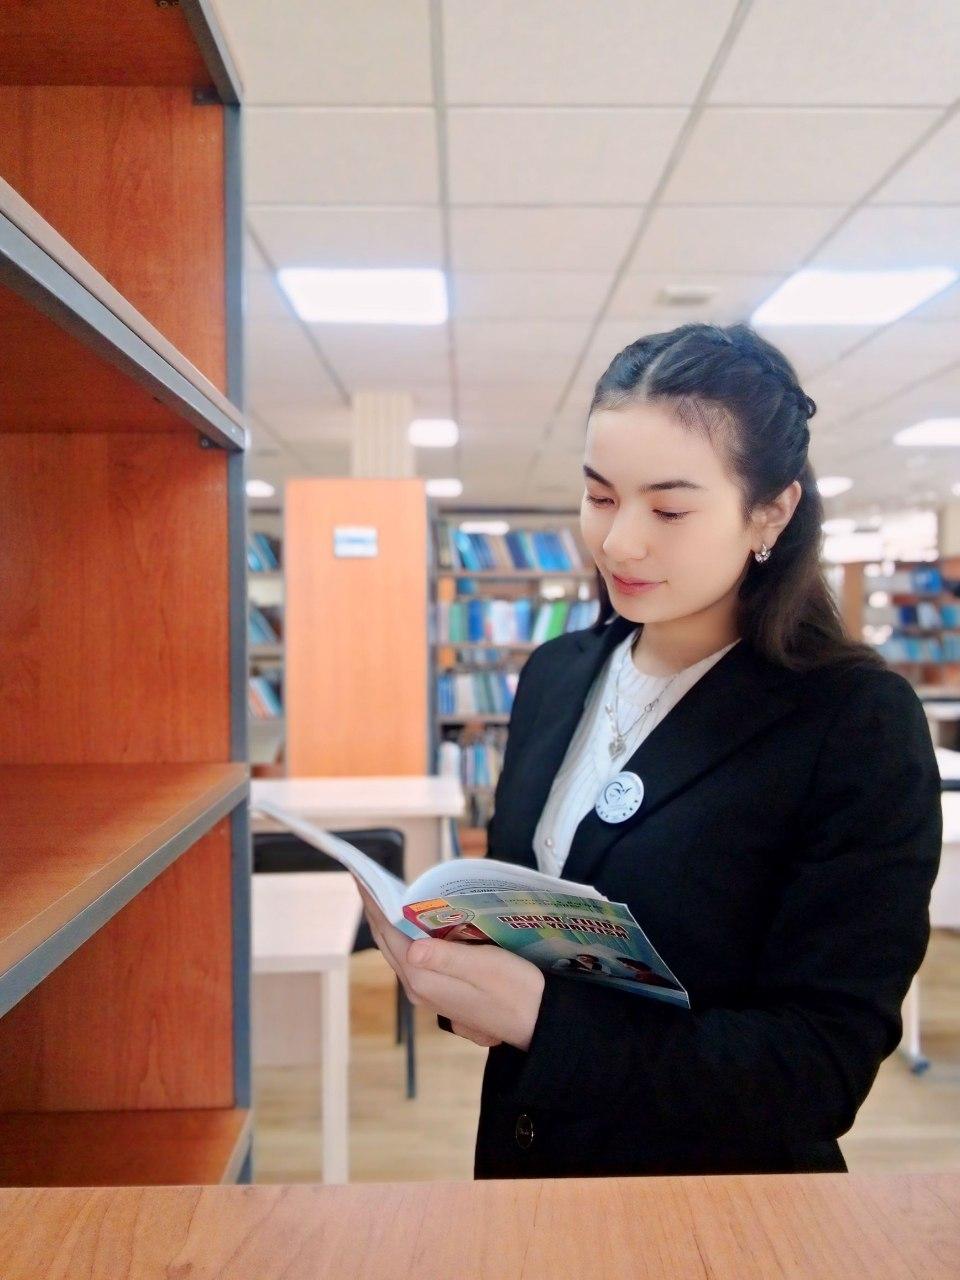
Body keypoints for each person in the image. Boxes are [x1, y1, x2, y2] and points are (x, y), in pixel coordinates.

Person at [356, 322, 942, 1179]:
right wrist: (457, 971)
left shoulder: (853, 723)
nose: (620, 542)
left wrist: (545, 1022)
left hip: (712, 1214)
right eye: (599, 496)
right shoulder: (558, 675)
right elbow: (529, 923)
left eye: (669, 508)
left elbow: (819, 1067)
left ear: (770, 512)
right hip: (526, 1180)